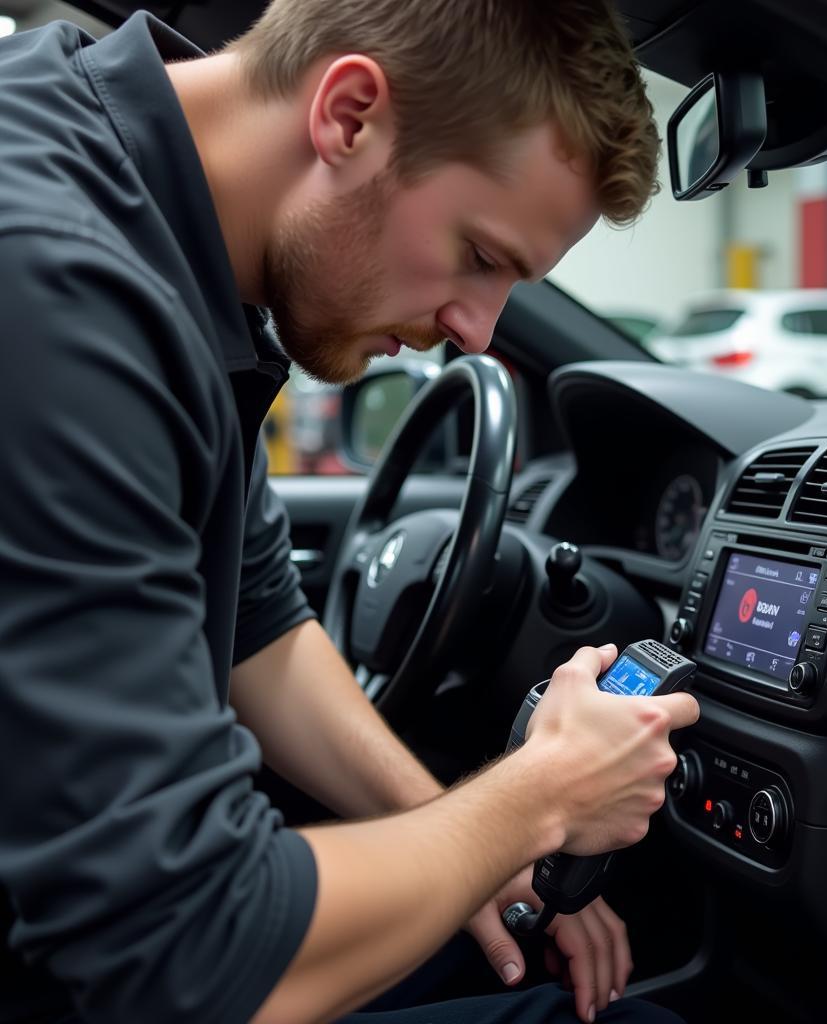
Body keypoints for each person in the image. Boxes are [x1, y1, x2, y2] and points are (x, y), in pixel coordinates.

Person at [0, 2, 700, 1022]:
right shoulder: (60, 291)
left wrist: (476, 850)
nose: (477, 332)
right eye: (481, 255)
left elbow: (257, 626)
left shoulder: (150, 209)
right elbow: (185, 954)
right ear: (351, 114)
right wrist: (538, 797)